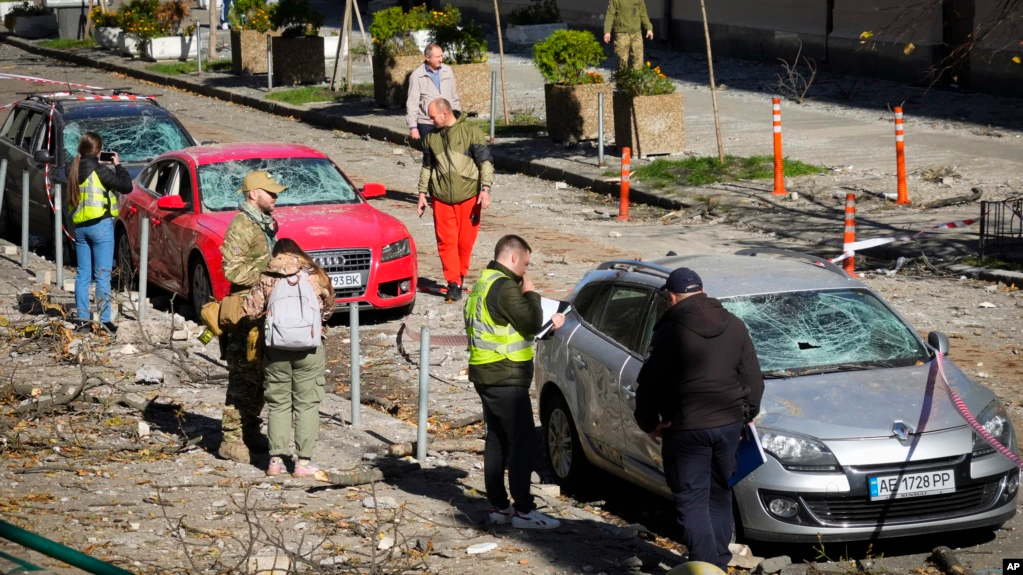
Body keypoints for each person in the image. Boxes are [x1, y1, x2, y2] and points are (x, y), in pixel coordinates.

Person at [634, 268, 764, 571]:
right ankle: (718, 562)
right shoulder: (735, 325)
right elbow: (754, 379)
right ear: (702, 291)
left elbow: (649, 384)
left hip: (686, 429)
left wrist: (649, 422)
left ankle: (707, 566)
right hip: (729, 425)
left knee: (692, 500)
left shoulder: (668, 332)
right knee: (719, 493)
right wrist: (746, 415)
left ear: (672, 297)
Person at [465, 235, 564, 530]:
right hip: (504, 376)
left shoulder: (482, 283)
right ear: (512, 258)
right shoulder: (506, 287)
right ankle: (523, 509)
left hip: (485, 372)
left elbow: (506, 328)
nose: (525, 271)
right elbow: (531, 321)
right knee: (523, 441)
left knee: (496, 440)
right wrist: (532, 294)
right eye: (525, 264)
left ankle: (498, 506)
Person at [243, 238, 335, 478]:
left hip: (276, 349)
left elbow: (250, 311)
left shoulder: (268, 277)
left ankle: (275, 461)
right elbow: (329, 309)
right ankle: (303, 463)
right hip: (310, 349)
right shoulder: (316, 275)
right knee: (307, 405)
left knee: (278, 403)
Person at [217, 170, 287, 464]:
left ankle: (249, 428)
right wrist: (269, 275)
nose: (275, 197)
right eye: (270, 192)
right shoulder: (242, 226)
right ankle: (230, 439)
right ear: (253, 194)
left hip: (263, 308)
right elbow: (231, 270)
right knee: (243, 376)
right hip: (246, 311)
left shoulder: (263, 224)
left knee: (260, 375)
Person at [417, 97, 493, 302]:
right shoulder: (432, 138)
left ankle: (460, 274)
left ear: (445, 113)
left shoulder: (472, 132)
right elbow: (427, 167)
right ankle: (454, 282)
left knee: (465, 242)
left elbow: (485, 162)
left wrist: (485, 189)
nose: (430, 121)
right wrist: (422, 194)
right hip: (441, 197)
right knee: (446, 242)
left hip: (469, 197)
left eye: (433, 117)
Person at [67, 131, 132, 334]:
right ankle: (105, 322)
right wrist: (118, 165)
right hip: (101, 227)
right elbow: (126, 187)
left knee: (83, 275)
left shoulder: (74, 170)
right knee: (102, 276)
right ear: (98, 151)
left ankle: (82, 320)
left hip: (80, 229)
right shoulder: (99, 170)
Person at [407, 43, 461, 141]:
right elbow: (412, 103)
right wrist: (413, 126)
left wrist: (458, 116)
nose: (441, 59)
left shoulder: (447, 71)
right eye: (437, 57)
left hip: (447, 120)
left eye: (441, 56)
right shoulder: (417, 76)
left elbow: (454, 95)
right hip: (427, 123)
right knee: (430, 154)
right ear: (428, 58)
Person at [603, 0, 654, 70]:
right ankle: (622, 78)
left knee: (638, 59)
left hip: (636, 33)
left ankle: (636, 78)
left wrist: (648, 28)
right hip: (622, 34)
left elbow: (643, 13)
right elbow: (610, 15)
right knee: (621, 60)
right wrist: (607, 31)